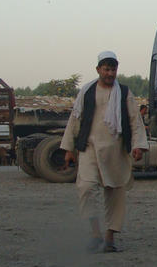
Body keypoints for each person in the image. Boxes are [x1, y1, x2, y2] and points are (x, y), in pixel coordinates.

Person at [60, 51, 148, 253]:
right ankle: (94, 234)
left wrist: (138, 146)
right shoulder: (87, 91)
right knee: (86, 188)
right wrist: (68, 149)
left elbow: (135, 120)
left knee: (116, 194)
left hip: (116, 150)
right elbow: (75, 120)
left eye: (113, 69)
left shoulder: (124, 93)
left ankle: (109, 238)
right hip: (90, 148)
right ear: (98, 69)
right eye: (106, 69)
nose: (110, 73)